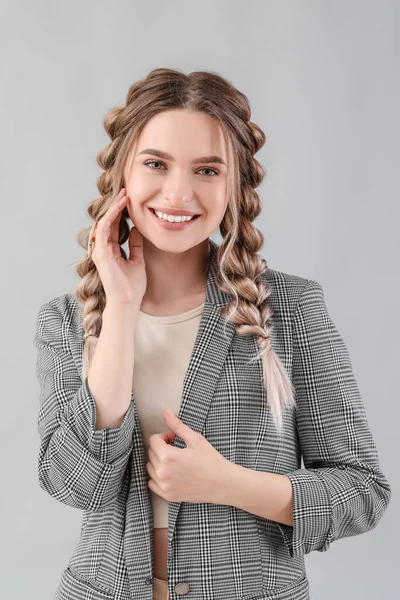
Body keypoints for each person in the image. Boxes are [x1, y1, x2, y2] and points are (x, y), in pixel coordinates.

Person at [33, 68, 391, 600]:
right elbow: (76, 483)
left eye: (207, 170)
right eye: (156, 163)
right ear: (121, 174)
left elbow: (361, 492)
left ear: (235, 187)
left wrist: (226, 483)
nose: (179, 193)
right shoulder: (65, 320)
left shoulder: (287, 309)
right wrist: (123, 309)